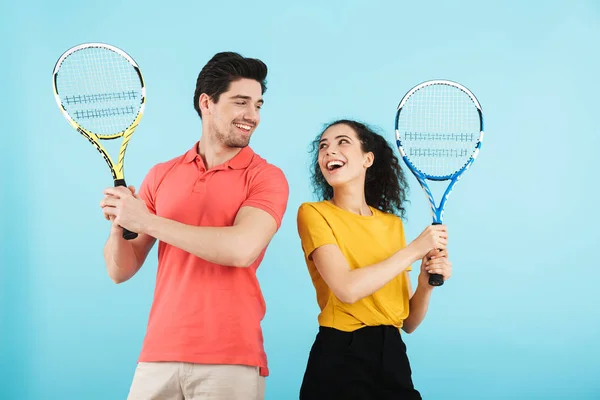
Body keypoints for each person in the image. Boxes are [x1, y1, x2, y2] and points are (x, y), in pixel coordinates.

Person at [100, 52, 289, 400]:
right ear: (208, 103)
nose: (253, 116)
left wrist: (148, 220)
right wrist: (120, 223)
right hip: (158, 353)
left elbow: (241, 249)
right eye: (241, 102)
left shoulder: (266, 178)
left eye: (258, 105)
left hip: (231, 356)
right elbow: (119, 270)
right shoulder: (162, 174)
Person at [296, 119, 452, 399]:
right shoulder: (313, 213)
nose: (329, 151)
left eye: (342, 142)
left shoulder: (392, 225)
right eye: (323, 146)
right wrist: (415, 249)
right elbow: (347, 289)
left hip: (392, 356)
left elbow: (408, 322)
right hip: (339, 356)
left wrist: (425, 283)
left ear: (368, 158)